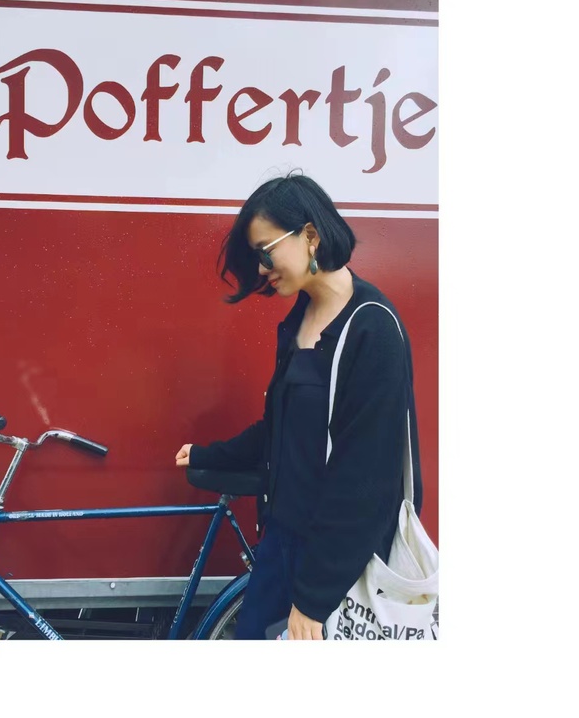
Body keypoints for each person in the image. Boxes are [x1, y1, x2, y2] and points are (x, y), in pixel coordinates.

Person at [174, 172, 423, 640]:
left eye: (265, 252)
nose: (261, 269)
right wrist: (211, 454)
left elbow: (366, 481)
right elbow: (280, 430)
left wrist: (312, 599)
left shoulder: (372, 328)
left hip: (338, 567)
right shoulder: (299, 321)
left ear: (310, 235)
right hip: (280, 547)